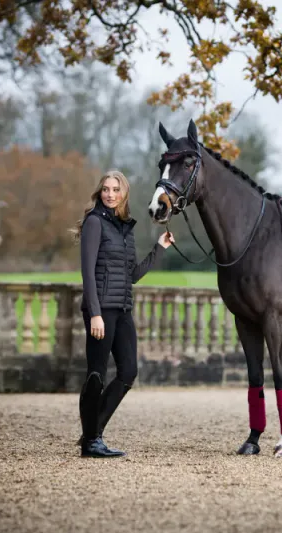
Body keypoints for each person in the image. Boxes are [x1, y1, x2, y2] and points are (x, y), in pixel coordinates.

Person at [72, 169, 174, 458]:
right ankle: (92, 441)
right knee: (96, 375)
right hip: (101, 309)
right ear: (100, 192)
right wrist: (94, 313)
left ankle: (91, 433)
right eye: (106, 189)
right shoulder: (94, 223)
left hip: (123, 308)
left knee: (129, 371)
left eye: (116, 189)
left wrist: (159, 248)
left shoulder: (123, 227)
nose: (110, 194)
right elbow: (87, 273)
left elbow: (132, 275)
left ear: (124, 193)